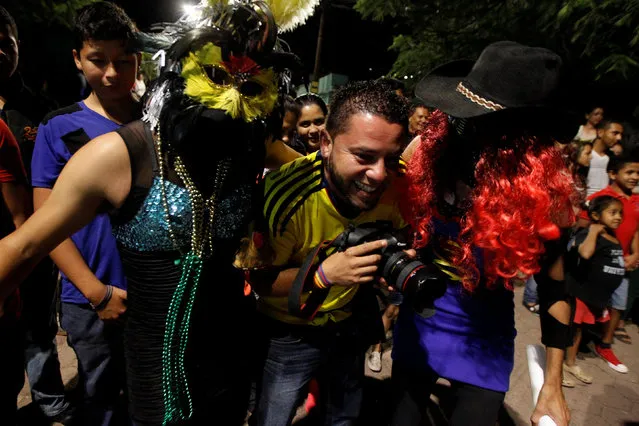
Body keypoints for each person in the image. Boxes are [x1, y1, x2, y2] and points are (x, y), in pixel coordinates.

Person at [0, 0, 313, 424]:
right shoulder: (116, 154)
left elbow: (327, 175)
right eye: (217, 77)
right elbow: (25, 246)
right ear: (183, 69)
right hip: (153, 367)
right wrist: (94, 291)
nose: (233, 99)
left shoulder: (251, 147)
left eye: (252, 87)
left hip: (231, 357)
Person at [395, 41, 575, 426]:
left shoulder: (545, 200)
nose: (463, 124)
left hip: (483, 342)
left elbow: (556, 294)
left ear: (520, 136)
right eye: (462, 112)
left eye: (479, 117)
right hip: (420, 323)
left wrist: (552, 386)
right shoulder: (424, 152)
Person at [251, 80, 411, 425]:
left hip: (349, 322)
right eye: (364, 156)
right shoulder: (284, 196)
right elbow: (259, 281)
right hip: (289, 333)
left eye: (391, 157)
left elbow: (404, 233)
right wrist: (323, 274)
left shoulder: (400, 182)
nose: (379, 174)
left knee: (344, 415)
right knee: (274, 417)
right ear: (326, 143)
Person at [31, 3, 140, 423]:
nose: (112, 73)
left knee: (150, 395)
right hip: (91, 298)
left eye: (124, 61)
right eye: (98, 60)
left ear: (138, 61)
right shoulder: (59, 128)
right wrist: (97, 293)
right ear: (78, 58)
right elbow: (45, 225)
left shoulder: (158, 123)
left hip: (154, 290)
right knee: (102, 397)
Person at [0, 6, 72, 423]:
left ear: (17, 47)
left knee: (38, 331)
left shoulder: (41, 111)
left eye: (4, 43)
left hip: (36, 245)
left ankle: (49, 401)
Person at [577, 153, 639, 370]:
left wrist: (635, 253)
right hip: (598, 264)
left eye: (638, 173)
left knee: (618, 305)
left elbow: (637, 230)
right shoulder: (602, 198)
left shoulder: (636, 200)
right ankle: (574, 346)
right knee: (586, 305)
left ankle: (605, 344)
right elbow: (584, 225)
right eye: (629, 172)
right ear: (613, 173)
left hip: (623, 264)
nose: (635, 177)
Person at [565, 195, 625, 384]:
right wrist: (593, 232)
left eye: (620, 213)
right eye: (612, 213)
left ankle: (570, 362)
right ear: (596, 216)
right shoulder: (590, 233)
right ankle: (561, 365)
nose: (618, 217)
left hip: (597, 297)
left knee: (579, 330)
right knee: (572, 330)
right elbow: (585, 252)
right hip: (581, 293)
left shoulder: (612, 237)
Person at [586, 119, 624, 196]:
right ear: (600, 132)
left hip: (604, 204)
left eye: (620, 134)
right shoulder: (585, 154)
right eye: (615, 133)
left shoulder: (613, 158)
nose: (619, 138)